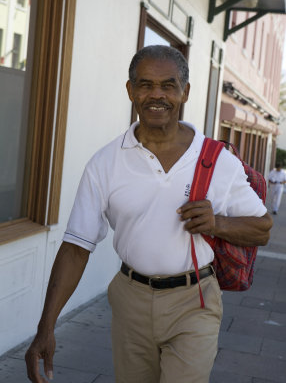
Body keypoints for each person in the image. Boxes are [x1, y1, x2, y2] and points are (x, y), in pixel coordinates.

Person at [25, 45, 272, 383]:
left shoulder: (216, 160)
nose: (157, 95)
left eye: (168, 85)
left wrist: (219, 223)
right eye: (145, 84)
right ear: (131, 91)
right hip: (130, 299)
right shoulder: (105, 162)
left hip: (195, 299)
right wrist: (46, 327)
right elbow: (75, 247)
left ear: (185, 92)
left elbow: (263, 228)